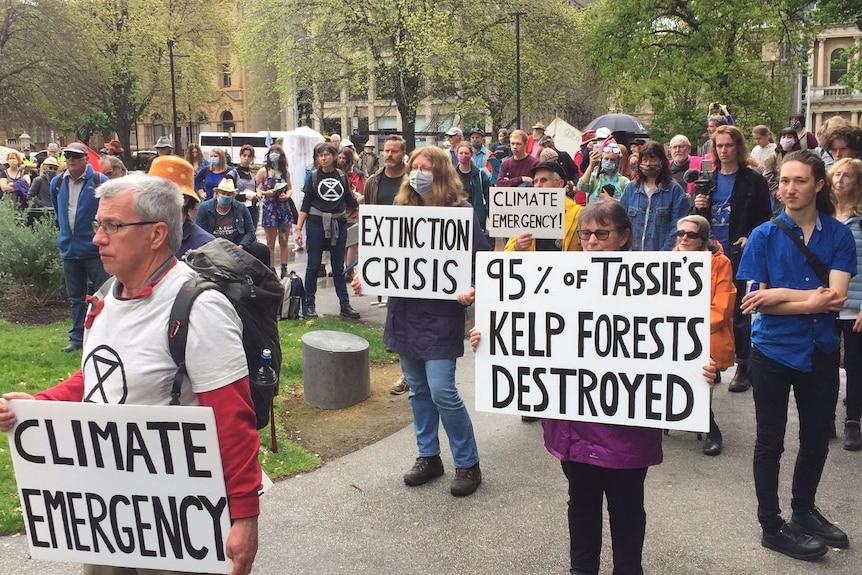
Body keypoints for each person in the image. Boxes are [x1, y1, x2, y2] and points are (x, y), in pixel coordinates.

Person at [0, 174, 261, 575]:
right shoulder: (106, 295)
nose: (98, 239)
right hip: (111, 510)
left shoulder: (199, 307)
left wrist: (243, 517)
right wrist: (40, 406)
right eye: (97, 225)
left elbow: (232, 419)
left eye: (113, 226)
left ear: (156, 234)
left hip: (179, 518)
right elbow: (100, 377)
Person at [469, 200, 717, 574]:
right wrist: (490, 338)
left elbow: (675, 340)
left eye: (603, 233)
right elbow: (529, 327)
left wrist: (701, 369)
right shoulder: (557, 279)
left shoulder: (654, 283)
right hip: (575, 427)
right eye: (586, 234)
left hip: (627, 431)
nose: (592, 241)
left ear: (624, 237)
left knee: (627, 508)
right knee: (580, 504)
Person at [353, 145, 490, 496]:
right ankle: (428, 456)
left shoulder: (461, 212)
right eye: (414, 166)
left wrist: (471, 286)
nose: (417, 172)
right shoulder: (401, 208)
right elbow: (383, 254)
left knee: (443, 390)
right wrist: (366, 277)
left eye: (425, 166)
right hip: (405, 313)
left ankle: (467, 463)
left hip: (442, 315)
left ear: (441, 172)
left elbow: (480, 259)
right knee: (418, 390)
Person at [738, 150, 855, 561]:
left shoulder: (839, 236)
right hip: (771, 349)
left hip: (820, 350)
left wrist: (784, 294)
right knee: (770, 441)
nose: (789, 189)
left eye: (799, 181)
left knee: (816, 439)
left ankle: (804, 510)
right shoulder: (764, 236)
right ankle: (772, 525)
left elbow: (837, 299)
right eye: (784, 181)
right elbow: (755, 302)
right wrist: (808, 302)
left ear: (818, 185)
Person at [693, 125, 772, 393]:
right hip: (710, 253)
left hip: (739, 252)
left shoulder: (754, 180)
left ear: (738, 147)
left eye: (728, 145)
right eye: (719, 146)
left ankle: (742, 365)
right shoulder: (708, 179)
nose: (724, 150)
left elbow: (764, 218)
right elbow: (696, 222)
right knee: (706, 311)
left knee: (738, 312)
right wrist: (698, 205)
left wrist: (750, 236)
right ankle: (711, 363)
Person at [674, 215, 735, 455]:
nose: (684, 238)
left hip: (705, 336)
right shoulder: (668, 261)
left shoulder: (721, 264)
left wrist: (689, 328)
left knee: (701, 377)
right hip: (672, 334)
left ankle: (710, 427)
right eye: (681, 233)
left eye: (691, 234)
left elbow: (722, 307)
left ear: (703, 240)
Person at [51, 142, 110, 352]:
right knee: (75, 297)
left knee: (104, 295)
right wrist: (67, 236)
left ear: (86, 158)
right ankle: (76, 338)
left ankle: (105, 336)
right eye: (67, 156)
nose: (71, 159)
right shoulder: (57, 183)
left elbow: (108, 211)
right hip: (69, 249)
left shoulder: (99, 181)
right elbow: (58, 213)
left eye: (76, 156)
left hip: (95, 249)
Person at [364, 135, 409, 393]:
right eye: (386, 151)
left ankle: (410, 374)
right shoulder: (374, 182)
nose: (389, 155)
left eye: (394, 151)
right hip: (387, 255)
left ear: (403, 153)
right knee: (395, 313)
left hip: (413, 256)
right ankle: (405, 372)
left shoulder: (412, 180)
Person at [295, 142, 360, 320]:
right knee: (313, 265)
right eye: (320, 155)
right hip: (316, 224)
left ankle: (345, 304)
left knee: (339, 267)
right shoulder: (314, 177)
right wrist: (299, 229)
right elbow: (305, 205)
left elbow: (350, 199)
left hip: (338, 223)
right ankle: (309, 305)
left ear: (333, 156)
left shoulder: (341, 176)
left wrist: (363, 208)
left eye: (326, 155)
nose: (323, 158)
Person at [829, 157, 862, 450]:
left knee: (854, 365)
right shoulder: (822, 215)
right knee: (824, 364)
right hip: (825, 304)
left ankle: (853, 421)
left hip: (855, 306)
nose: (839, 180)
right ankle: (825, 416)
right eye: (836, 175)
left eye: (847, 175)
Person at [619, 140, 690, 251]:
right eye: (645, 160)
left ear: (662, 161)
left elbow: (677, 227)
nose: (648, 164)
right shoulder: (631, 189)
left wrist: (664, 254)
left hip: (662, 257)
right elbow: (621, 223)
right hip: (632, 257)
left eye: (653, 159)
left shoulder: (675, 190)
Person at [150, 155, 214, 258]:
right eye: (149, 194)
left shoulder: (204, 246)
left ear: (184, 199)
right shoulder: (140, 238)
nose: (151, 201)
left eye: (160, 195)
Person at [196, 177, 270, 266]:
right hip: (214, 247)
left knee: (263, 250)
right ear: (217, 193)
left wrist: (241, 246)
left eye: (229, 194)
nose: (226, 196)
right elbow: (200, 234)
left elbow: (251, 232)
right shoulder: (204, 208)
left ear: (233, 196)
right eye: (223, 193)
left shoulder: (241, 207)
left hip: (237, 245)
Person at [256, 144, 294, 277]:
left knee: (284, 241)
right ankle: (271, 269)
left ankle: (284, 268)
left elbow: (290, 188)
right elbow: (255, 188)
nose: (274, 154)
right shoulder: (263, 171)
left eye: (277, 152)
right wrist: (267, 193)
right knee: (270, 243)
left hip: (284, 209)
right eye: (272, 152)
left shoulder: (285, 172)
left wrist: (287, 195)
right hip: (270, 209)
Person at [338, 148, 364, 280]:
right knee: (344, 241)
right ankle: (346, 267)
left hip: (354, 209)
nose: (341, 161)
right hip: (340, 210)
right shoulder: (336, 174)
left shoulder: (355, 175)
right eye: (340, 158)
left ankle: (350, 268)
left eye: (344, 158)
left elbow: (360, 189)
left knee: (354, 240)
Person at [455, 143, 490, 240]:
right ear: (456, 154)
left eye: (466, 153)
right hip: (456, 217)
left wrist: (486, 212)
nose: (463, 156)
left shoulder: (480, 175)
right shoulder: (451, 176)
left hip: (477, 219)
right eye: (461, 153)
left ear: (471, 155)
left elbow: (488, 196)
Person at [762, 127, 801, 204]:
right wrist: (777, 192)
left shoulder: (800, 156)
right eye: (783, 137)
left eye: (789, 137)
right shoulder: (773, 156)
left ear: (795, 140)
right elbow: (767, 175)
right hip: (777, 197)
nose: (786, 139)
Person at [235, 144, 261, 230]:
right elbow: (228, 195)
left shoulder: (253, 176)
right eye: (244, 155)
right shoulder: (233, 174)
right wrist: (244, 196)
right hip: (237, 211)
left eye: (249, 156)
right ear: (240, 156)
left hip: (252, 211)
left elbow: (256, 190)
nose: (246, 158)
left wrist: (258, 194)